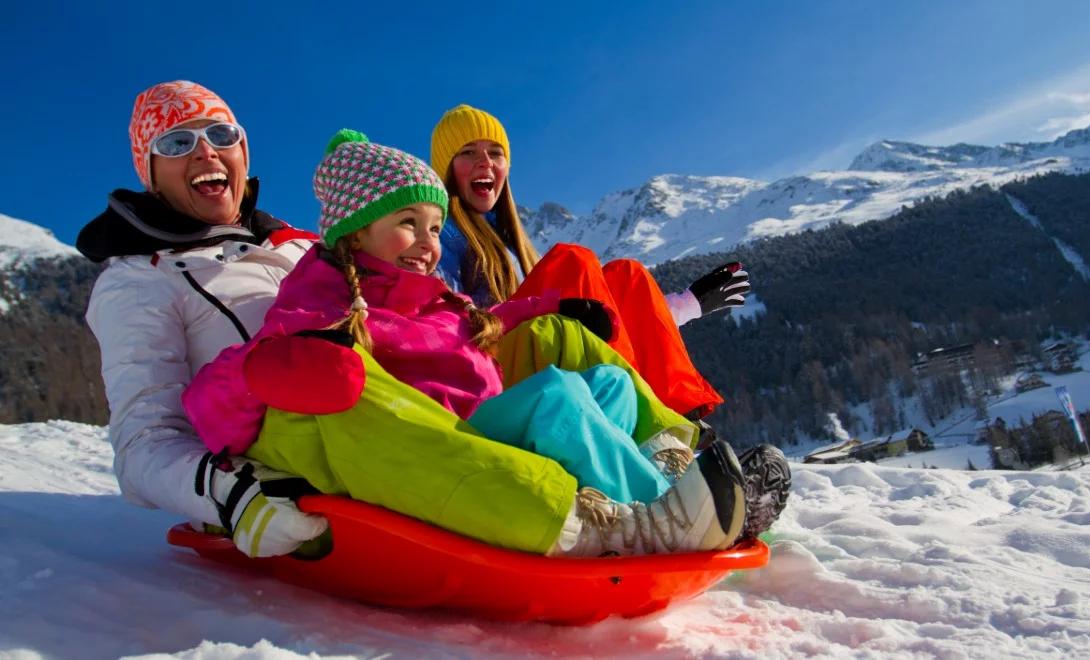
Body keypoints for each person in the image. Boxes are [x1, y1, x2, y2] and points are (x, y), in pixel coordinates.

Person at [181, 130, 754, 557]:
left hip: (490, 422)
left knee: (604, 381)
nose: (428, 244)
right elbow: (240, 377)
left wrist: (553, 306)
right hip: (450, 441)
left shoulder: (427, 295)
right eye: (408, 223)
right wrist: (276, 369)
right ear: (355, 233)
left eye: (434, 228)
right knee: (556, 397)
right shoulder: (325, 296)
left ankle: (673, 460)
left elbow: (488, 319)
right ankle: (664, 511)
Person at [78, 80, 330, 559]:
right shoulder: (140, 280)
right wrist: (232, 491)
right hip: (295, 464)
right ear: (151, 174)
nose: (205, 153)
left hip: (397, 411)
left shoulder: (302, 246)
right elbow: (144, 442)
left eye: (221, 135)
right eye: (176, 143)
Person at [430, 104, 752, 421]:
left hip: (537, 350)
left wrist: (688, 304)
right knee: (572, 261)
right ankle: (637, 415)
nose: (484, 162)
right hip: (491, 372)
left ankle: (685, 420)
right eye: (468, 152)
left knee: (626, 275)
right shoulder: (442, 234)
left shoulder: (511, 243)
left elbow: (602, 319)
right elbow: (445, 323)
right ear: (447, 168)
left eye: (495, 153)